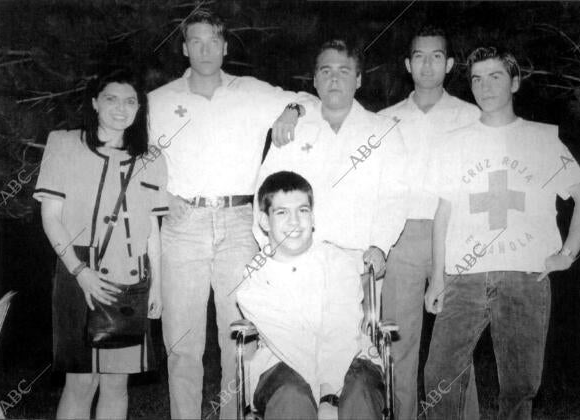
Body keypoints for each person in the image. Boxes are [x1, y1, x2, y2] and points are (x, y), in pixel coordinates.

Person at [147, 10, 312, 419]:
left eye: (212, 42)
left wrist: (291, 110)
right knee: (182, 344)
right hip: (183, 224)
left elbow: (307, 99)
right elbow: (135, 162)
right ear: (185, 48)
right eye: (195, 42)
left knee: (239, 339)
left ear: (225, 46)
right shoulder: (159, 101)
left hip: (240, 223)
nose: (204, 50)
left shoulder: (251, 91)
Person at [423, 47, 580, 419]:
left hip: (524, 276)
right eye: (477, 79)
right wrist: (436, 277)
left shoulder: (542, 139)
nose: (484, 87)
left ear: (515, 82)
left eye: (496, 77)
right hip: (463, 277)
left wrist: (566, 254)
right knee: (438, 375)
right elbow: (443, 213)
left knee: (519, 386)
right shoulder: (454, 143)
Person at [34, 68, 168, 419]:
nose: (121, 109)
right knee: (81, 383)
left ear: (139, 109)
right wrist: (80, 273)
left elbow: (151, 226)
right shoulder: (63, 143)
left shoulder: (152, 158)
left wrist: (158, 286)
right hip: (78, 268)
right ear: (94, 102)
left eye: (130, 101)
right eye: (111, 99)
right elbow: (51, 218)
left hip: (131, 275)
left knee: (116, 385)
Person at [377, 25, 480, 419]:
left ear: (450, 64)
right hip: (400, 238)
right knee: (399, 343)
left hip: (453, 239)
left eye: (437, 56)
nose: (427, 64)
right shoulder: (385, 121)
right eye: (419, 56)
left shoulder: (471, 117)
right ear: (407, 63)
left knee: (456, 345)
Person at [254, 39, 408, 287]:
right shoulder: (292, 128)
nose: (334, 79)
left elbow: (395, 197)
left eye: (344, 71)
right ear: (314, 80)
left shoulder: (384, 130)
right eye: (326, 71)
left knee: (357, 326)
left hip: (359, 264)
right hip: (297, 261)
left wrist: (380, 246)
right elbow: (265, 191)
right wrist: (269, 248)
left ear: (358, 80)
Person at [237, 171, 385, 420]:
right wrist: (324, 396)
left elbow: (341, 332)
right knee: (291, 398)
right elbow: (292, 343)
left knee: (359, 391)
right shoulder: (253, 282)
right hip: (280, 363)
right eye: (282, 212)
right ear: (264, 221)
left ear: (313, 217)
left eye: (302, 211)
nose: (295, 222)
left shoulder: (338, 262)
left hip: (351, 356)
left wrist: (330, 394)